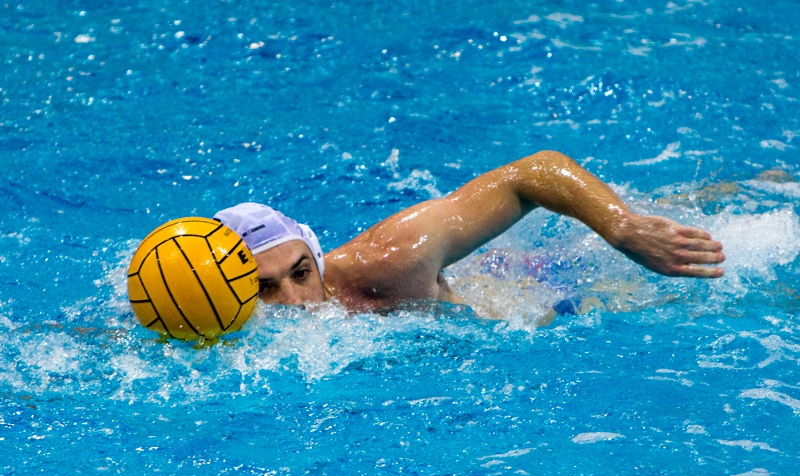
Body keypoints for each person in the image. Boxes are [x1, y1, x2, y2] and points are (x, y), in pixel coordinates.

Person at [214, 150, 725, 313]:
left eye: (301, 273)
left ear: (316, 254)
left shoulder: (389, 259)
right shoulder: (212, 323)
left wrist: (622, 226)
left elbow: (532, 173)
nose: (299, 300)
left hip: (545, 298)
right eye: (264, 288)